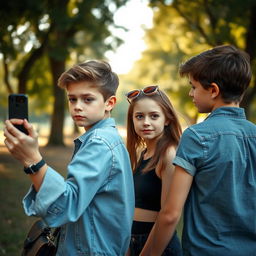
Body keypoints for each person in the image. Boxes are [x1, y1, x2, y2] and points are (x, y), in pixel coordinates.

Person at [4, 60, 135, 255]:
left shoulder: (100, 142)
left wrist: (32, 160)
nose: (77, 107)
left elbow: (66, 205)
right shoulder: (106, 138)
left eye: (88, 99)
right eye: (72, 99)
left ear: (109, 103)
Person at [140, 45, 256, 256]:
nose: (190, 93)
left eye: (194, 87)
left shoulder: (197, 136)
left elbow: (170, 214)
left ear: (213, 90)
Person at [125, 85, 183, 256]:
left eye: (154, 116)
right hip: (133, 241)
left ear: (167, 119)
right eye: (139, 116)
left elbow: (168, 216)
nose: (146, 122)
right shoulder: (144, 154)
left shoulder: (168, 155)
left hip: (158, 247)